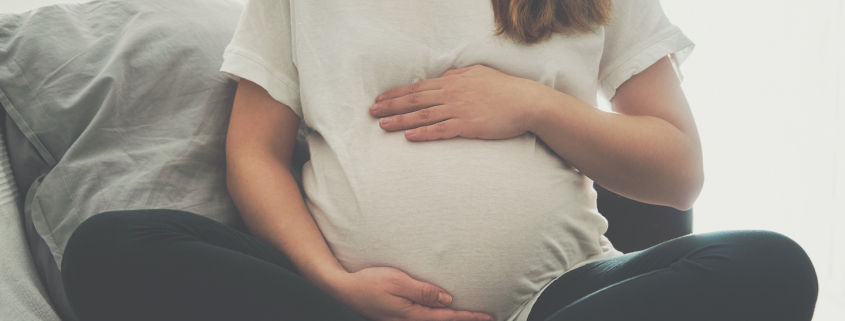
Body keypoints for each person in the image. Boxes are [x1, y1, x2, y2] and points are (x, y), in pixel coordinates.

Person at [60, 0, 819, 320]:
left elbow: (676, 168)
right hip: (342, 305)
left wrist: (531, 104)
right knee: (111, 247)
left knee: (774, 264)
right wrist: (337, 283)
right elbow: (252, 153)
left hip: (554, 297)